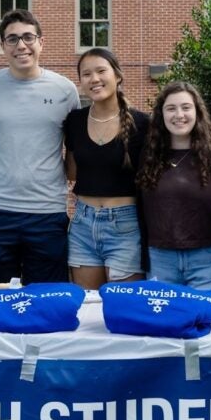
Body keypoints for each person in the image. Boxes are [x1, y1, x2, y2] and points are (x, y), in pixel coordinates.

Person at [0, 9, 80, 287]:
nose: (21, 45)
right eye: (12, 39)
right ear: (2, 46)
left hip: (48, 212)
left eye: (28, 37)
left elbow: (75, 148)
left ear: (41, 42)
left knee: (46, 300)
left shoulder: (65, 90)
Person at [63, 48, 148, 289]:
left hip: (125, 226)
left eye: (101, 71)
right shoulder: (75, 121)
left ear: (117, 75)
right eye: (86, 74)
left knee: (124, 306)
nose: (94, 79)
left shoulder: (142, 123)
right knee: (88, 306)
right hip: (82, 223)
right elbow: (72, 172)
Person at [138, 81, 211, 295]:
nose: (179, 114)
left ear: (197, 112)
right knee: (164, 325)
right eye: (171, 108)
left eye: (186, 107)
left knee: (207, 321)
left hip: (208, 259)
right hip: (160, 258)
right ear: (161, 114)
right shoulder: (148, 156)